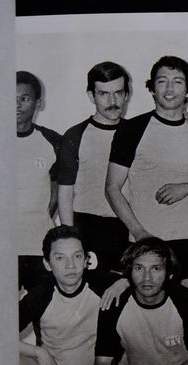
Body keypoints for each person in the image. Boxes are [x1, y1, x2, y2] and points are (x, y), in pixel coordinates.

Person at [105, 55, 188, 293]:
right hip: (144, 241)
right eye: (162, 81)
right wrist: (138, 232)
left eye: (178, 82)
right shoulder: (132, 129)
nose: (170, 89)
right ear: (152, 87)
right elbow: (111, 188)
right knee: (146, 320)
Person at [19, 225, 121, 365]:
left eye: (77, 256)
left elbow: (143, 280)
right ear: (47, 264)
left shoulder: (101, 284)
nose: (70, 265)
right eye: (60, 258)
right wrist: (37, 353)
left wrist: (123, 282)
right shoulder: (41, 293)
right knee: (6, 362)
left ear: (86, 260)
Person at [57, 61, 132, 273]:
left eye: (118, 93)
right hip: (87, 228)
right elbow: (65, 192)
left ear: (126, 94)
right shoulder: (75, 135)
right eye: (104, 94)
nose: (112, 101)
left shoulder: (136, 132)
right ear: (91, 95)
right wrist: (71, 238)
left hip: (127, 226)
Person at [17, 70, 62, 291]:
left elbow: (57, 192)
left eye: (24, 99)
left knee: (42, 314)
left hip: (38, 244)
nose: (16, 106)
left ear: (38, 103)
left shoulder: (51, 141)